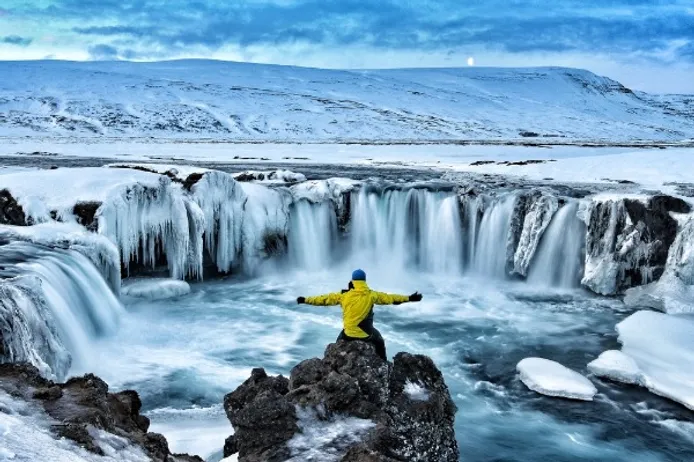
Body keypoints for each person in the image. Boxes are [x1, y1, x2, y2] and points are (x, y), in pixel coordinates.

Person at [297, 269, 422, 361]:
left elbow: (323, 300)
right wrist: (410, 298)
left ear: (352, 281)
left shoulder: (343, 295)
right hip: (366, 335)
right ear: (364, 281)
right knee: (379, 340)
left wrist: (305, 300)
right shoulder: (371, 295)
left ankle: (333, 360)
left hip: (348, 335)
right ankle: (384, 363)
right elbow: (391, 299)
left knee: (338, 343)